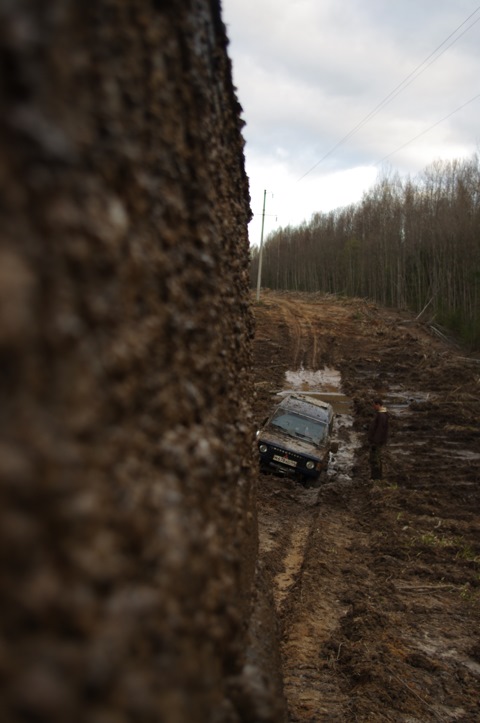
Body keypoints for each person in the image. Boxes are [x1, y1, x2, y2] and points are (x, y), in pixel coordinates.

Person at [368, 399, 389, 480]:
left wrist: (375, 441)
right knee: (376, 458)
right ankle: (376, 476)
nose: (373, 407)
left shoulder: (381, 415)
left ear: (378, 405)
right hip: (377, 441)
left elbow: (380, 430)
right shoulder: (381, 414)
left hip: (377, 442)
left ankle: (376, 477)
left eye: (374, 405)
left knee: (375, 459)